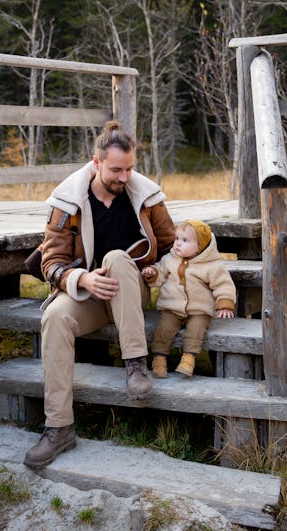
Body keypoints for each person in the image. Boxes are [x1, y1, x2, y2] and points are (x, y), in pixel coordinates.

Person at [24, 120, 175, 470]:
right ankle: (59, 427)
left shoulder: (146, 197)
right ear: (96, 162)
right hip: (91, 297)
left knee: (117, 258)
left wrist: (157, 271)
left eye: (130, 169)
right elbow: (52, 263)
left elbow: (171, 247)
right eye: (116, 170)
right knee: (55, 316)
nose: (124, 178)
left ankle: (135, 364)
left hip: (130, 295)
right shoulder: (68, 203)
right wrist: (83, 280)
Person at [141, 219, 236, 378]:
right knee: (163, 330)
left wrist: (225, 304)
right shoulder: (169, 260)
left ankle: (188, 358)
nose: (177, 243)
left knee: (196, 330)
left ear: (200, 247)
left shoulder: (212, 266)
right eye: (177, 238)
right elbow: (160, 274)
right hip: (173, 308)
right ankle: (159, 359)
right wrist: (152, 273)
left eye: (185, 240)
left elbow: (223, 285)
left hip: (199, 310)